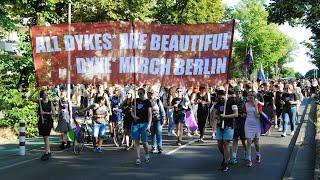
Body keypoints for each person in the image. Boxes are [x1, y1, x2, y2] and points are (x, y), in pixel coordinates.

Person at [213, 89, 238, 172]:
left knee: (226, 143)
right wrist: (217, 116)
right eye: (219, 98)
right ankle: (226, 156)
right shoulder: (218, 103)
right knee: (219, 144)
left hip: (229, 126)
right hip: (220, 126)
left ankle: (226, 163)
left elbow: (236, 114)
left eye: (222, 98)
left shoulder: (232, 102)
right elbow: (214, 113)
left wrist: (225, 116)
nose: (221, 100)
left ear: (226, 96)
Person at [30, 89, 54, 161]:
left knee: (46, 137)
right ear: (42, 95)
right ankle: (49, 151)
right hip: (41, 121)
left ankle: (46, 153)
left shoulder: (50, 103)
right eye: (44, 93)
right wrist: (35, 90)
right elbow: (29, 98)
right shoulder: (39, 102)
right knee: (44, 137)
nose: (46, 94)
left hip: (48, 121)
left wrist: (45, 113)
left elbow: (54, 113)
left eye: (47, 93)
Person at [130, 88, 152, 165]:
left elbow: (150, 114)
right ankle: (138, 158)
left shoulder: (147, 102)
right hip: (136, 123)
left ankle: (146, 153)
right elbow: (132, 111)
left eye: (141, 93)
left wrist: (149, 125)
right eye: (138, 93)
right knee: (136, 141)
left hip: (144, 123)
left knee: (144, 142)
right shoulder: (135, 100)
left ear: (144, 93)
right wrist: (134, 116)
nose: (139, 95)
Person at [244, 91, 262, 167]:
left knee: (256, 142)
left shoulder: (259, 104)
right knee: (248, 141)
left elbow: (258, 116)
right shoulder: (246, 104)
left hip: (256, 124)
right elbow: (245, 114)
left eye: (252, 95)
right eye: (249, 95)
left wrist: (255, 106)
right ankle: (249, 159)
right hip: (248, 124)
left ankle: (258, 154)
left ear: (255, 96)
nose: (250, 97)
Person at [230, 85, 247, 165]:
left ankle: (247, 153)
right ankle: (233, 157)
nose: (238, 93)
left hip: (243, 122)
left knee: (243, 140)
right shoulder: (232, 100)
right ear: (235, 92)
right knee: (235, 140)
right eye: (237, 91)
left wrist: (245, 114)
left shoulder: (245, 100)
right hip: (234, 121)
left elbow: (247, 111)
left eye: (239, 91)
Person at [147, 88, 166, 154]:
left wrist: (164, 118)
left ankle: (160, 148)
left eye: (151, 93)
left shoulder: (157, 100)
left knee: (158, 133)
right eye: (149, 93)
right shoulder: (147, 101)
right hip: (150, 120)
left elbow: (162, 110)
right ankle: (154, 147)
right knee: (152, 134)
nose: (150, 95)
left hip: (158, 119)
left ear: (154, 94)